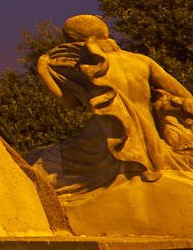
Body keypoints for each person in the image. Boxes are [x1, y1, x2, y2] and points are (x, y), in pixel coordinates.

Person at [36, 14, 193, 188]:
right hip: (150, 140)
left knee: (42, 164)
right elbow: (186, 97)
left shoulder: (84, 64)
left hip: (106, 141)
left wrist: (43, 71)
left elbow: (69, 103)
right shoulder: (142, 61)